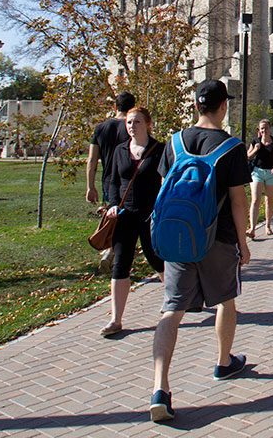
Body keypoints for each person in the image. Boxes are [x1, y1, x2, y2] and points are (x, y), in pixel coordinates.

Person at [149, 80, 251, 423]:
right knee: (226, 301)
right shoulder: (231, 147)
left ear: (196, 106)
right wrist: (244, 242)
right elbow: (239, 202)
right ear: (223, 106)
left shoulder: (175, 143)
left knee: (171, 312)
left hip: (178, 239)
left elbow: (165, 191)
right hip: (217, 239)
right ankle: (224, 363)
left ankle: (160, 388)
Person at [101, 106, 165, 336]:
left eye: (136, 122)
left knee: (157, 260)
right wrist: (113, 205)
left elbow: (165, 181)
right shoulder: (119, 150)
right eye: (129, 122)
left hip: (150, 215)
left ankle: (174, 300)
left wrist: (162, 207)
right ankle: (116, 319)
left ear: (147, 124)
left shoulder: (159, 149)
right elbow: (113, 181)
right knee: (121, 263)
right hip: (125, 216)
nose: (131, 126)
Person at [86, 92, 135, 205]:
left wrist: (90, 187)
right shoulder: (133, 129)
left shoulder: (100, 128)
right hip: (128, 183)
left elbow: (92, 159)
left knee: (110, 218)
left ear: (115, 107)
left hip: (108, 182)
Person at [247, 119, 273, 238]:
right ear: (259, 130)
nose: (264, 130)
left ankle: (268, 226)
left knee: (269, 200)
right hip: (257, 172)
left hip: (271, 173)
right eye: (261, 128)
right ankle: (252, 229)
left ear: (270, 128)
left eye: (266, 128)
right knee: (255, 199)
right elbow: (248, 156)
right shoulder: (255, 141)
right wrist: (256, 149)